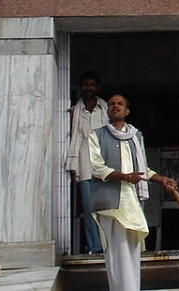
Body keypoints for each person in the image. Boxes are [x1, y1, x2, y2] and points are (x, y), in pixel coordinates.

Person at [89, 94, 177, 291]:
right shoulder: (97, 135)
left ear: (127, 111)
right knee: (117, 253)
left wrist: (162, 179)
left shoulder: (136, 136)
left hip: (133, 202)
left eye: (120, 104)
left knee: (132, 252)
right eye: (111, 104)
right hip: (110, 203)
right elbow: (97, 168)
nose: (115, 106)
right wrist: (125, 177)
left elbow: (142, 169)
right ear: (107, 110)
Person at [66, 70, 107, 254]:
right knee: (89, 208)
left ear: (97, 88)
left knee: (106, 207)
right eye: (85, 85)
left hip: (103, 164)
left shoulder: (106, 108)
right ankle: (94, 246)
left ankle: (107, 244)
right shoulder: (75, 110)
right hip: (83, 163)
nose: (88, 88)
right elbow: (74, 138)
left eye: (91, 85)